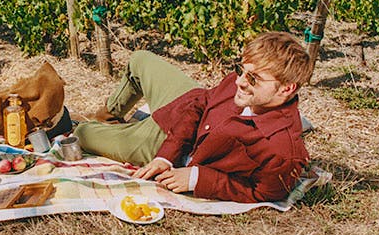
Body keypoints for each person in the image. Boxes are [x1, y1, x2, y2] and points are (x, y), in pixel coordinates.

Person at [74, 32, 310, 203]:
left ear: (286, 89)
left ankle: (117, 131)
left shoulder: (282, 152)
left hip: (161, 141)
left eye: (253, 78)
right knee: (140, 59)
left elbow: (263, 193)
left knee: (81, 134)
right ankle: (109, 117)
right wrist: (166, 157)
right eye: (240, 70)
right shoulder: (243, 85)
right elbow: (203, 101)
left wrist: (198, 178)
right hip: (183, 114)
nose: (239, 81)